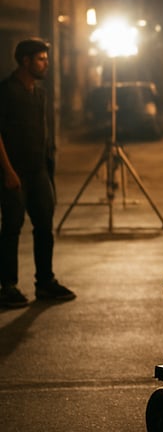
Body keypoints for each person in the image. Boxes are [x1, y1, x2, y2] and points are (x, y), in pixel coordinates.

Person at [0, 39, 76, 308]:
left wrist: (47, 166)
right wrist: (7, 171)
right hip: (14, 172)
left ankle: (45, 282)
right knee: (11, 228)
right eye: (41, 59)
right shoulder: (6, 92)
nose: (46, 63)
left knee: (44, 226)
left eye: (45, 58)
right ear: (25, 61)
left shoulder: (39, 94)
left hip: (39, 170)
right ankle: (6, 286)